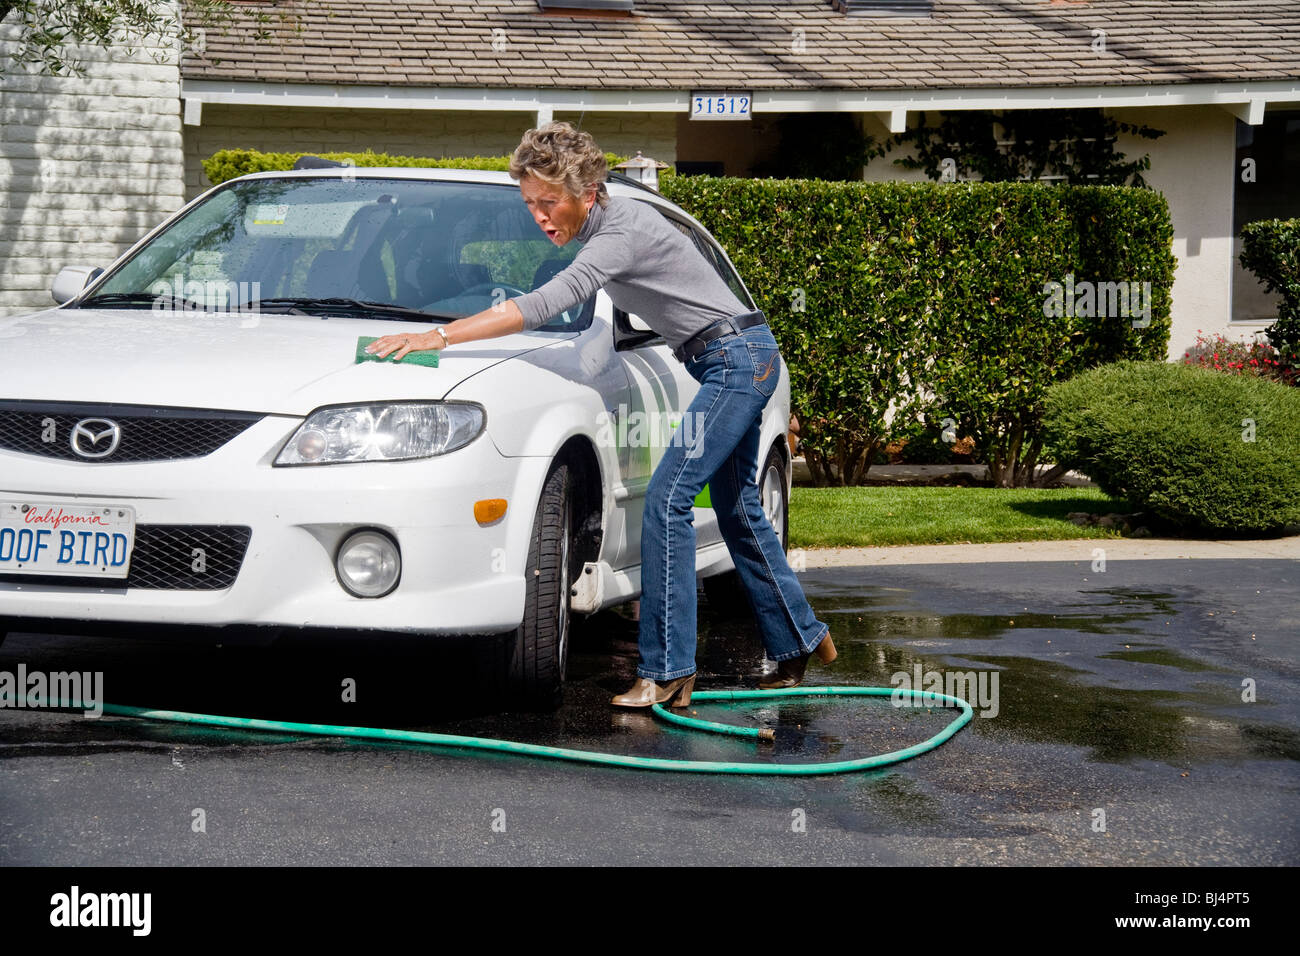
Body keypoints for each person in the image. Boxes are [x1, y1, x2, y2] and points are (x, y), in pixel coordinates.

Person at [366, 122, 835, 709]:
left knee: (668, 499)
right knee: (737, 504)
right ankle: (801, 639)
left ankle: (668, 673)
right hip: (739, 356)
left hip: (735, 362)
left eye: (549, 201)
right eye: (530, 202)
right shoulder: (612, 228)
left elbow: (546, 302)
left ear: (586, 194)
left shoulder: (619, 233)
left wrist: (439, 336)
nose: (539, 215)